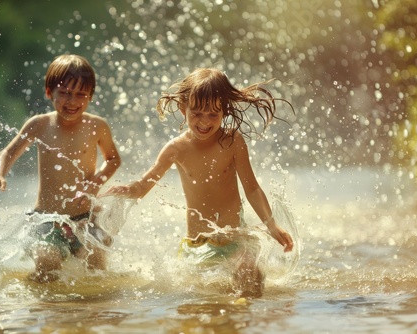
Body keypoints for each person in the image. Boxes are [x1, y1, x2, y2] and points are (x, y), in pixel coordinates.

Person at [102, 68, 294, 297]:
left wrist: (271, 224)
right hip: (197, 244)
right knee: (198, 298)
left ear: (225, 111)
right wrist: (129, 189)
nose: (204, 121)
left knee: (250, 273)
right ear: (183, 109)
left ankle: (242, 316)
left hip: (234, 238)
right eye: (197, 113)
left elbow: (252, 188)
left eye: (213, 114)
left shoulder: (232, 141)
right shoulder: (176, 148)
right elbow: (144, 185)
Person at [0, 54, 121, 282]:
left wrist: (97, 182)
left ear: (90, 96)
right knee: (47, 265)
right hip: (46, 219)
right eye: (64, 93)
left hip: (85, 218)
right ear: (49, 91)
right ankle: (42, 307)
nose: (72, 101)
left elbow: (113, 159)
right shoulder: (40, 124)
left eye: (80, 94)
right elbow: (8, 152)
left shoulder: (97, 126)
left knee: (96, 269)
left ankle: (95, 314)